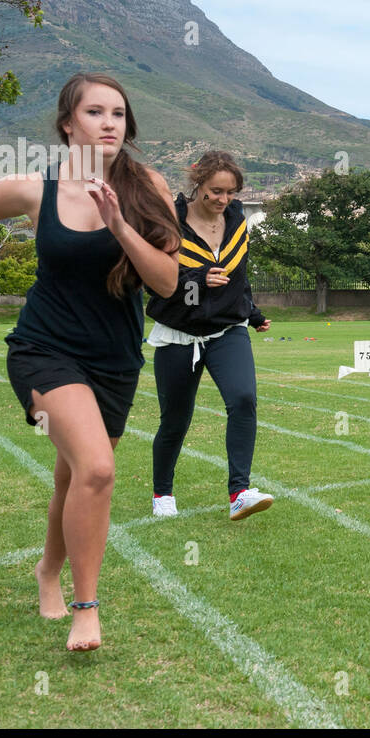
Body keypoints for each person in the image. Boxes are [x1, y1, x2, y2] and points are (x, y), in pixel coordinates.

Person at [0, 73, 180, 651]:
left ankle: (46, 571)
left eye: (118, 114)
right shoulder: (34, 188)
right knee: (97, 469)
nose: (109, 123)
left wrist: (120, 223)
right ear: (67, 124)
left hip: (115, 360)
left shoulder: (148, 186)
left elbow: (168, 283)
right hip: (43, 350)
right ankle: (86, 607)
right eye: (95, 112)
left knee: (74, 475)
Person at [145, 151, 273, 521]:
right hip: (178, 333)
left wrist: (252, 313)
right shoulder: (168, 221)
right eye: (216, 191)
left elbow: (239, 277)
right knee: (176, 418)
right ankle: (162, 492)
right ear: (196, 182)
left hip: (226, 329)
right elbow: (156, 283)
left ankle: (240, 491)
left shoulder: (236, 220)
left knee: (244, 398)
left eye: (231, 193)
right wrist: (198, 282)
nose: (223, 200)